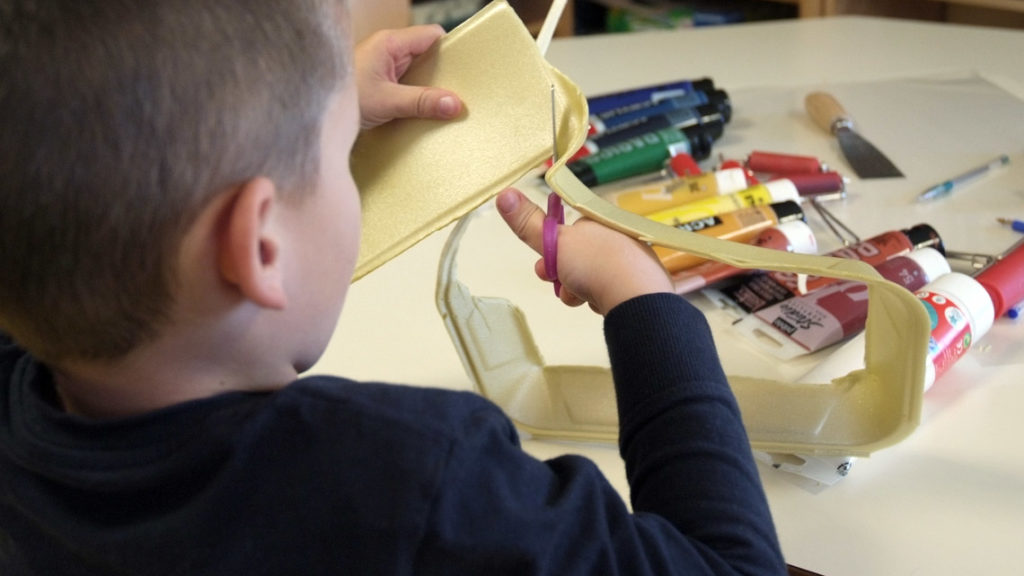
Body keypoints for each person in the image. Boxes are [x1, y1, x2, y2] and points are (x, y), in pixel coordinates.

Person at [0, 1, 787, 574]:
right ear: (260, 246)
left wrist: (305, 113)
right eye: (343, 152)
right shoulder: (419, 483)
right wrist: (644, 302)